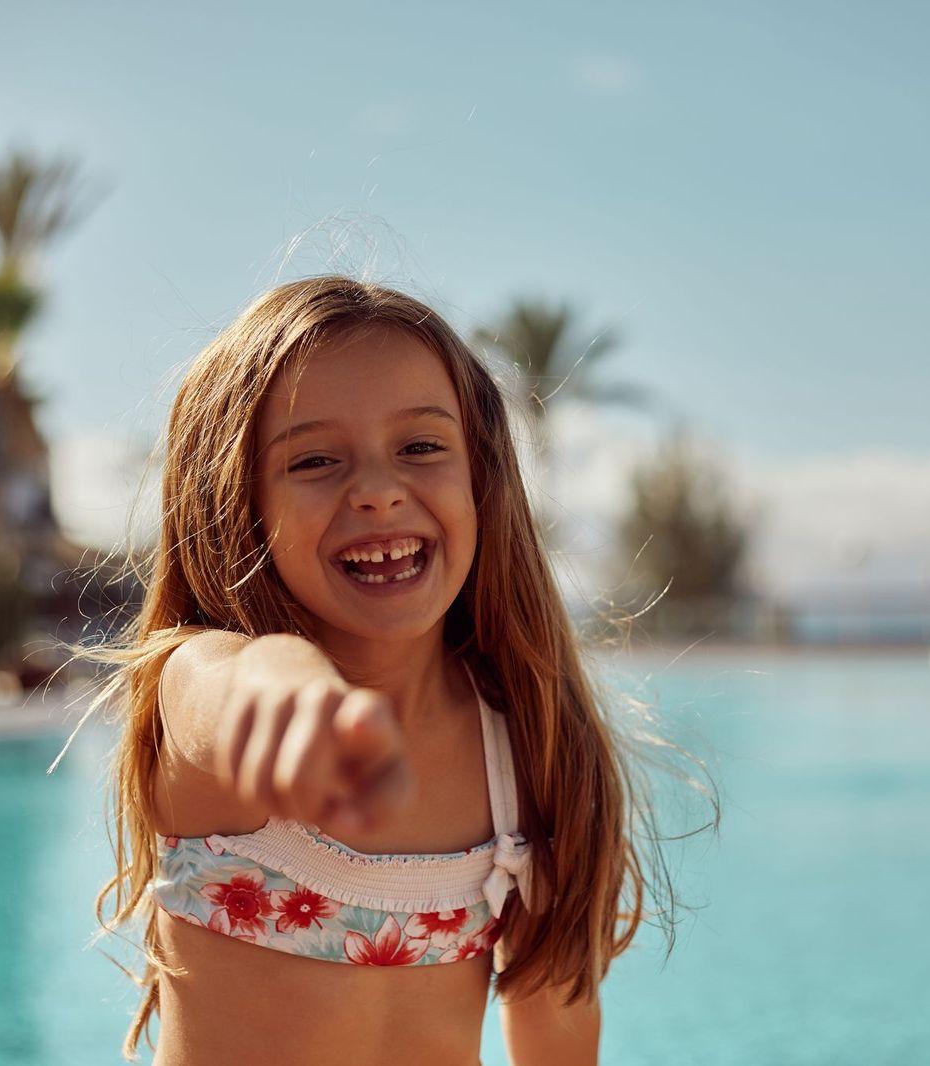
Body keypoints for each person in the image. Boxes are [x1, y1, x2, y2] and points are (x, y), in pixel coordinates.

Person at [67, 275, 699, 1065]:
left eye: (421, 448)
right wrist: (288, 692)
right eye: (314, 460)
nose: (376, 491)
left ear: (482, 478)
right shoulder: (213, 707)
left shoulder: (518, 756)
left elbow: (557, 1030)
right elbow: (222, 687)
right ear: (237, 504)